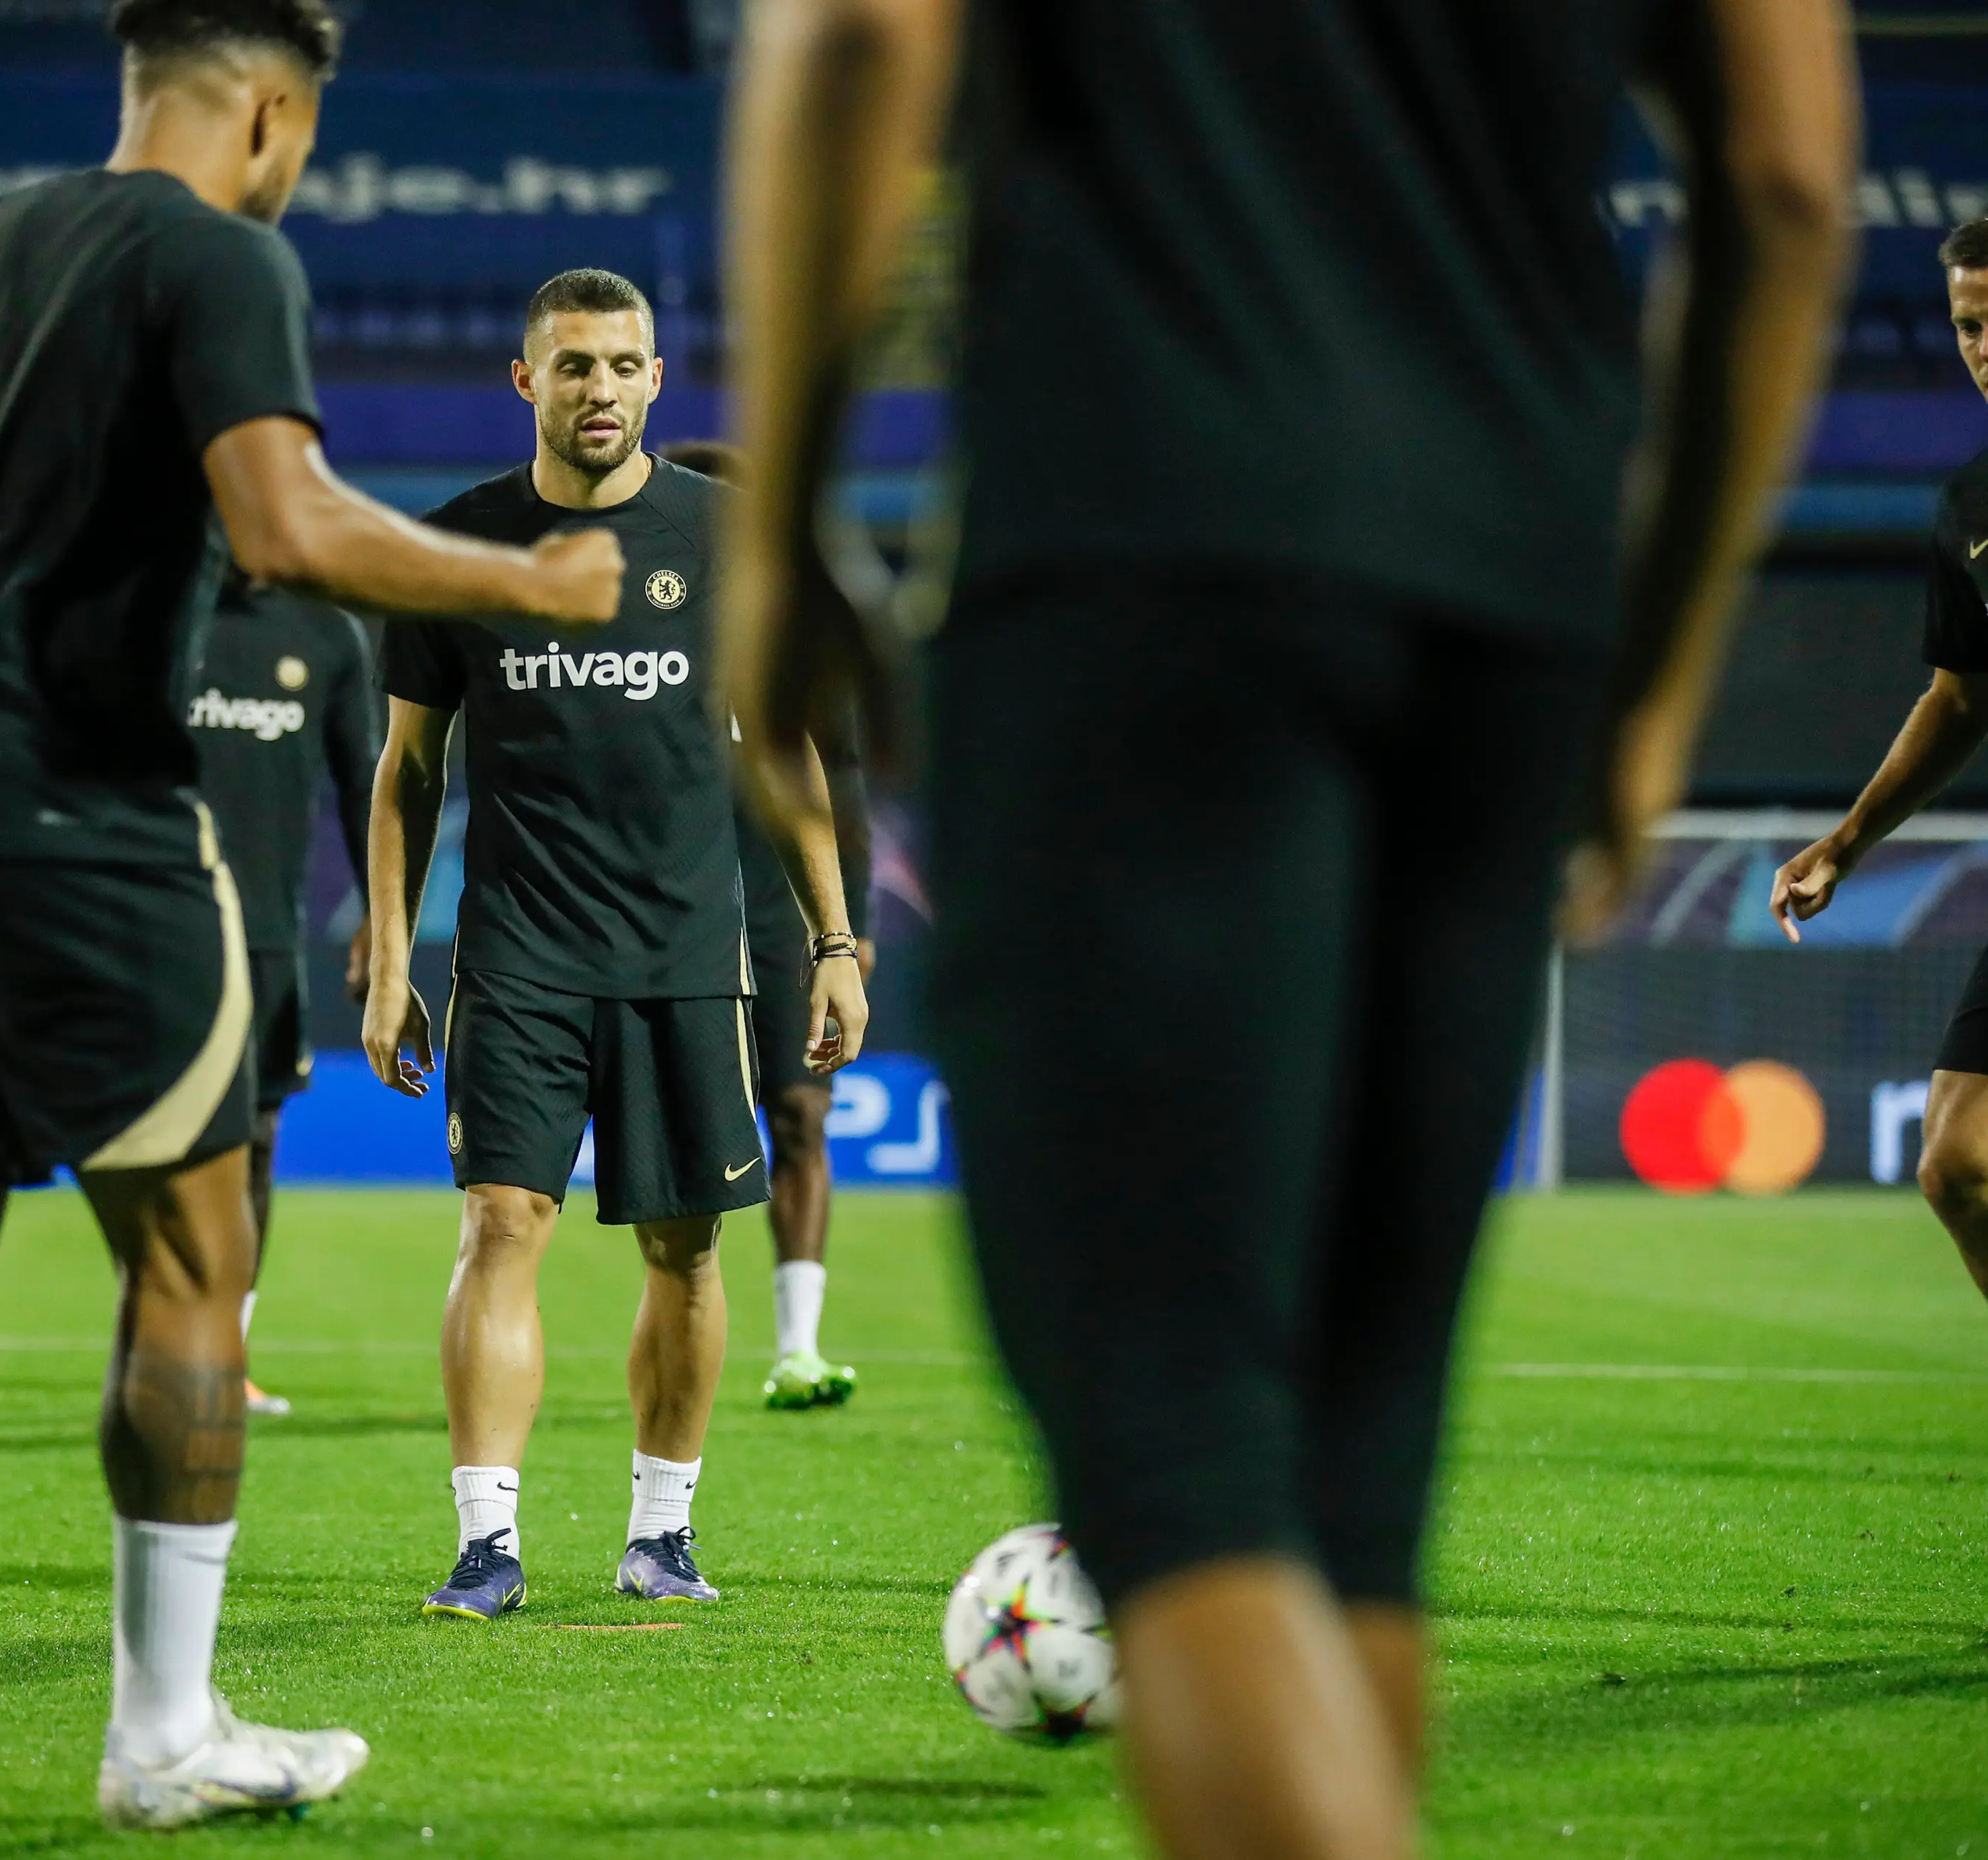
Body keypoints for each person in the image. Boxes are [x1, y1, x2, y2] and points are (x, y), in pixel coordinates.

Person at [716, 3, 1855, 1858]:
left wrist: (776, 539)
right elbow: (1789, 177)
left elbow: (851, 40)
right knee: (1348, 1497)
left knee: (1176, 1456)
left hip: (1143, 539)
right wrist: (1647, 685)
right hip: (1510, 585)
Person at [0, 0, 623, 1839]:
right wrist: (522, 575)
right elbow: (281, 524)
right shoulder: (218, 259)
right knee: (198, 1265)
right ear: (273, 115)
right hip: (87, 817)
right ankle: (165, 1732)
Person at [364, 269, 869, 1622]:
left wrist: (835, 936)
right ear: (525, 381)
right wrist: (393, 953)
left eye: (625, 363)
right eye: (574, 364)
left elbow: (789, 750)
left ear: (659, 379)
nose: (601, 386)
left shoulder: (727, 538)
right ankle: (486, 1541)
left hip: (689, 952)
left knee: (686, 1250)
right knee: (500, 1221)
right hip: (518, 952)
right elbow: (408, 767)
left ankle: (663, 1529)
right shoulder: (459, 546)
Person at [1774, 217, 1988, 1294]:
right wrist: (1847, 843)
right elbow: (1960, 699)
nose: (1984, 345)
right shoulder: (1969, 508)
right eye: (1968, 325)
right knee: (1959, 1167)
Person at [659, 439, 874, 1411]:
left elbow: (845, 786)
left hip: (784, 912)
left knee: (800, 1113)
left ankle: (798, 1345)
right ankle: (676, 1328)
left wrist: (847, 928)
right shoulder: (643, 623)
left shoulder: (794, 639)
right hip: (672, 908)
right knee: (679, 1138)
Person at [187, 578, 383, 1416]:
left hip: (265, 934)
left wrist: (384, 913)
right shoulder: (153, 607)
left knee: (258, 1139)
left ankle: (223, 1355)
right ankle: (160, 1340)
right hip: (150, 926)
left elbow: (363, 785)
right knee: (157, 1152)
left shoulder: (329, 634)